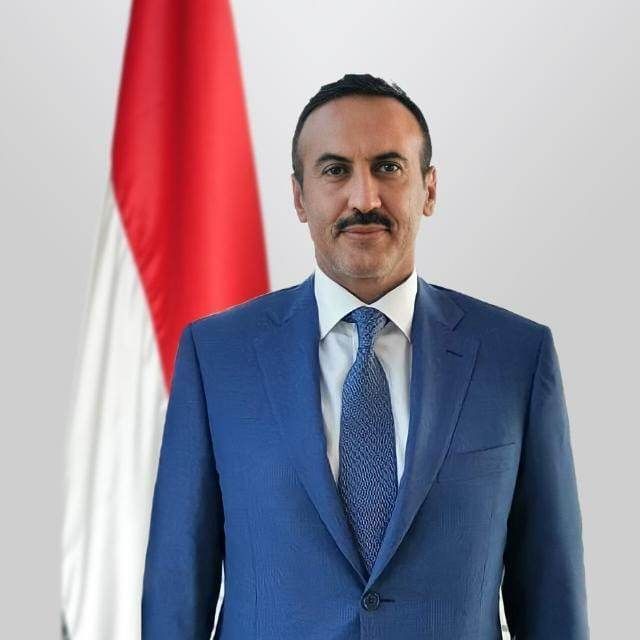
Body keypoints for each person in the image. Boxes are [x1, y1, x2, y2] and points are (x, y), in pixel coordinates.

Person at [141, 73, 589, 639]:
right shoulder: (217, 357)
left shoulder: (516, 358)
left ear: (429, 189)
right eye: (335, 171)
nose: (364, 199)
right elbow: (177, 590)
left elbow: (552, 597)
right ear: (299, 197)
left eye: (388, 167)